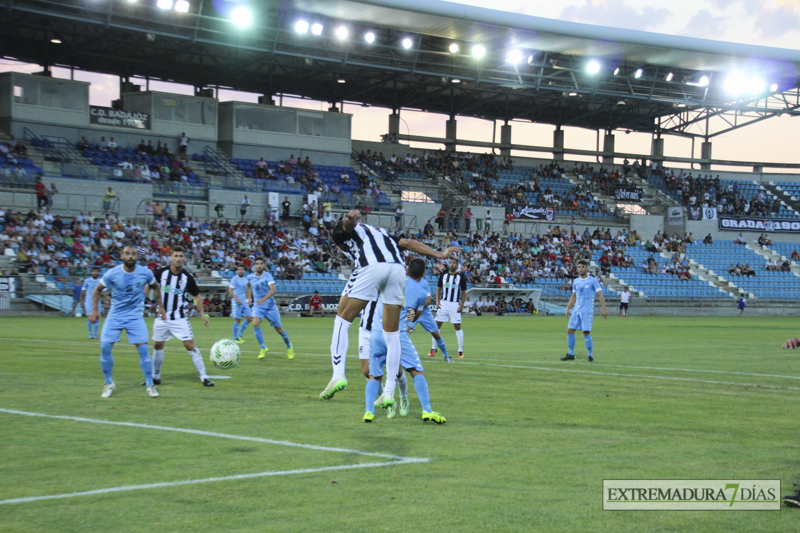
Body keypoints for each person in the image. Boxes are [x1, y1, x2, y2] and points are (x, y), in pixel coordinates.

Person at [319, 209, 460, 403]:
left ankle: (338, 375)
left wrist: (350, 221)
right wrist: (440, 254)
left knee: (342, 319)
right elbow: (408, 243)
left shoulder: (345, 234)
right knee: (392, 333)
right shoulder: (382, 233)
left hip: (372, 266)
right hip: (397, 268)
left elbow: (345, 227)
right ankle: (389, 392)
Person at [88, 245, 165, 398]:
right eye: (127, 254)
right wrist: (94, 310)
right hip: (115, 316)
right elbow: (97, 289)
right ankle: (108, 382)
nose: (130, 256)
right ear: (122, 256)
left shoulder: (145, 272)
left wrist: (160, 307)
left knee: (143, 350)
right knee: (104, 348)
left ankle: (150, 385)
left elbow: (156, 287)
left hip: (135, 317)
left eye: (133, 254)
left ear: (137, 257)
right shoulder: (113, 273)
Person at [363, 294, 446, 424]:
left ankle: (371, 410)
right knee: (416, 370)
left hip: (377, 333)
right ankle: (427, 410)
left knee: (379, 374)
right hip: (394, 333)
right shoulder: (410, 286)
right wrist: (412, 312)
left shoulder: (382, 285)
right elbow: (417, 307)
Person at [151, 246, 214, 387]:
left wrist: (202, 314)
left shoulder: (187, 277)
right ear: (171, 258)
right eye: (176, 256)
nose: (178, 259)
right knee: (158, 344)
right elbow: (149, 286)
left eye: (181, 256)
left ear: (184, 258)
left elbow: (197, 296)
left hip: (179, 318)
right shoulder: (160, 273)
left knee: (189, 345)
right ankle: (155, 377)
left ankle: (204, 376)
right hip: (161, 317)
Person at [560, 260, 608, 362]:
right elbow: (573, 296)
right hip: (576, 310)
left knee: (586, 332)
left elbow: (600, 294)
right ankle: (571, 353)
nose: (580, 268)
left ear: (587, 268)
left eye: (582, 266)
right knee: (570, 330)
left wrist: (604, 309)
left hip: (587, 311)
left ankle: (590, 355)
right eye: (579, 267)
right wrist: (568, 308)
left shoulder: (593, 280)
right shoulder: (576, 281)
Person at [247, 257, 294, 359]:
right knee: (255, 324)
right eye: (257, 263)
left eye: (261, 263)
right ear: (254, 265)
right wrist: (249, 297)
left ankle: (289, 346)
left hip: (270, 307)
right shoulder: (250, 277)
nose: (259, 265)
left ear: (264, 265)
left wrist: (263, 299)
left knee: (279, 329)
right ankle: (263, 348)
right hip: (258, 306)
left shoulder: (268, 276)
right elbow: (248, 286)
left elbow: (273, 290)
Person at [435, 258, 467, 359]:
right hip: (443, 303)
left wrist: (461, 305)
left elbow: (463, 291)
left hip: (454, 304)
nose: (452, 264)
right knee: (436, 326)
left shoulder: (461, 277)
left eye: (454, 263)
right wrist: (437, 301)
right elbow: (439, 288)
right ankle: (433, 348)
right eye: (450, 262)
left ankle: (460, 349)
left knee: (457, 326)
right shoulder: (444, 274)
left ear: (457, 265)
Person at [229, 264, 253, 343]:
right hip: (237, 301)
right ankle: (234, 338)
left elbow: (248, 290)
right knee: (237, 319)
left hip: (244, 301)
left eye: (242, 269)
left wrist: (249, 298)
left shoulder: (245, 279)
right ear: (237, 271)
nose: (240, 271)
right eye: (239, 269)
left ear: (244, 271)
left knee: (249, 317)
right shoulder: (234, 279)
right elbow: (230, 290)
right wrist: (236, 299)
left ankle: (239, 334)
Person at [81, 267, 103, 339]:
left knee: (96, 317)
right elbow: (83, 290)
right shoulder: (87, 281)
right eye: (93, 271)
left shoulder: (100, 281)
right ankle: (90, 333)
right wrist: (81, 299)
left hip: (97, 301)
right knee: (90, 317)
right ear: (91, 273)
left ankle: (95, 334)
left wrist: (106, 298)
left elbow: (104, 290)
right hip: (88, 301)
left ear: (98, 273)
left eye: (96, 271)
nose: (95, 273)